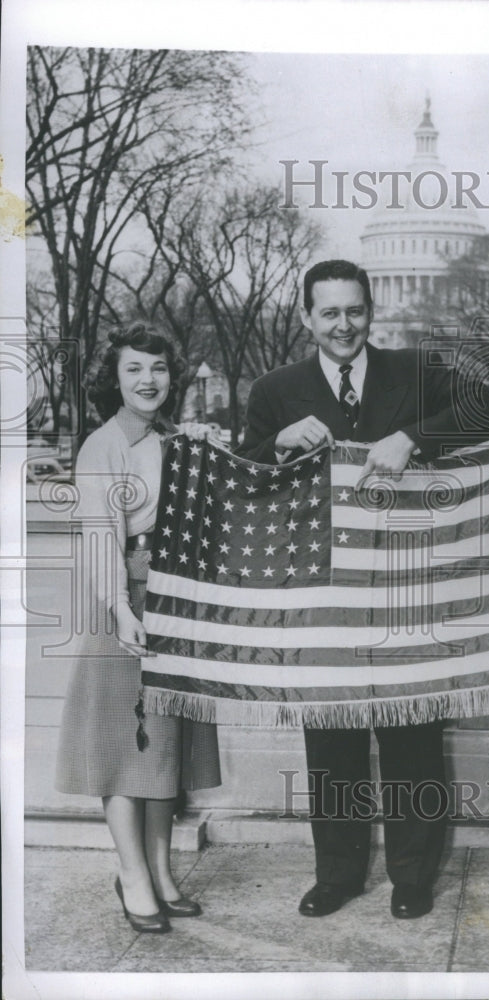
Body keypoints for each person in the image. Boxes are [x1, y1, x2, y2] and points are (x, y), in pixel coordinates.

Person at [238, 259, 489, 920]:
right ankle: (337, 874)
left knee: (412, 732)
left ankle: (412, 876)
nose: (343, 324)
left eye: (354, 310)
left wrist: (414, 437)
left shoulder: (415, 370)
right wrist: (274, 443)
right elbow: (242, 477)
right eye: (328, 312)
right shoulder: (276, 389)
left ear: (371, 309)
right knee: (330, 736)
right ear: (306, 316)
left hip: (406, 586)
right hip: (320, 589)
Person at [55, 324, 221, 934]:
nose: (148, 379)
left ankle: (158, 868)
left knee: (164, 748)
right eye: (134, 369)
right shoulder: (104, 446)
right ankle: (131, 876)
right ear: (114, 380)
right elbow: (100, 535)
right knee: (124, 748)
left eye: (157, 367)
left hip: (174, 599)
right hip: (124, 599)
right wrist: (121, 609)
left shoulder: (173, 440)